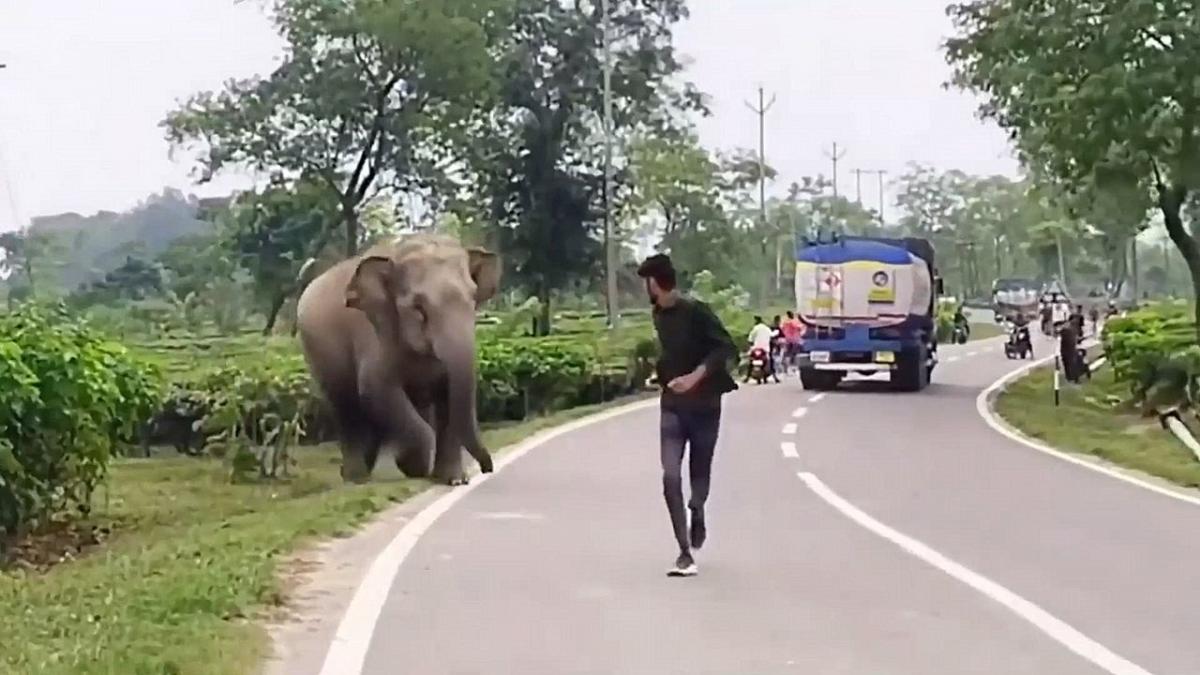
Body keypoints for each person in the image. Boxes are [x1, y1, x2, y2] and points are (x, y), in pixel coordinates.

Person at [637, 254, 738, 578]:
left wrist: (695, 378)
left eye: (646, 282)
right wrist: (660, 374)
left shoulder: (696, 311)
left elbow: (725, 349)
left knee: (699, 475)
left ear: (655, 283)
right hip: (673, 406)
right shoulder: (658, 314)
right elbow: (671, 353)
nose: (645, 289)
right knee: (669, 475)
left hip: (706, 405)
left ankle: (698, 508)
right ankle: (684, 552)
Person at [746, 316, 776, 383]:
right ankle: (774, 376)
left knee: (750, 360)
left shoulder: (755, 328)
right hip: (765, 348)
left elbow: (750, 339)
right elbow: (772, 335)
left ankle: (747, 376)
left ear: (756, 321)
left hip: (756, 348)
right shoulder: (766, 328)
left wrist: (750, 344)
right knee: (770, 361)